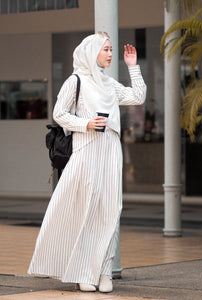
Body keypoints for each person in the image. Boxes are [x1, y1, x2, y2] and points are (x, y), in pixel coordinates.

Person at [28, 32, 146, 293]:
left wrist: (133, 67)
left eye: (111, 49)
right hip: (86, 150)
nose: (110, 54)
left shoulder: (109, 83)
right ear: (91, 52)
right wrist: (86, 123)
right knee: (86, 210)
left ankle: (104, 271)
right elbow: (59, 114)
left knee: (110, 211)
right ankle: (82, 271)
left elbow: (138, 97)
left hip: (111, 151)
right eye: (106, 49)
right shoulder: (76, 81)